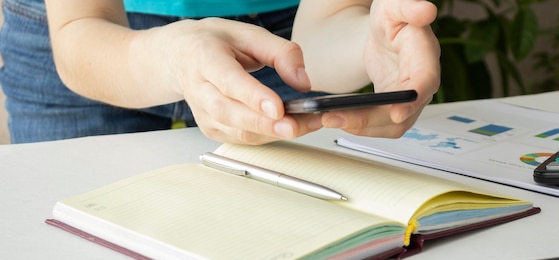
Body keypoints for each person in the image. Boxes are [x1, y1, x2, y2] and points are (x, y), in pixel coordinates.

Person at [0, 0, 440, 145]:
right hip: (87, 33)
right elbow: (81, 27)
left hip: (274, 31)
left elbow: (328, 21)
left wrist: (369, 43)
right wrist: (174, 58)